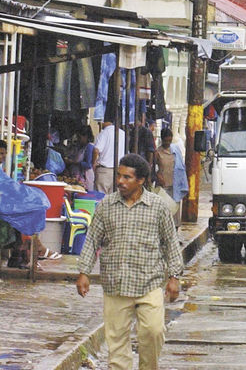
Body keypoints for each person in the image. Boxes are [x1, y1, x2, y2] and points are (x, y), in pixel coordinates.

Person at [77, 153, 183, 370]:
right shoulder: (106, 205)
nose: (120, 181)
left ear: (141, 180)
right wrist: (83, 273)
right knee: (116, 343)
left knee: (153, 332)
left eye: (127, 177)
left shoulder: (158, 206)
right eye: (119, 176)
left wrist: (174, 277)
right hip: (115, 284)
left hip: (149, 284)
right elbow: (92, 240)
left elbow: (170, 243)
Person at [94, 121, 127, 194]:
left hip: (104, 171)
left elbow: (96, 150)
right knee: (115, 196)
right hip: (118, 171)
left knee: (101, 196)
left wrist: (94, 163)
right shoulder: (123, 133)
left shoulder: (104, 133)